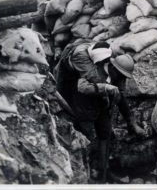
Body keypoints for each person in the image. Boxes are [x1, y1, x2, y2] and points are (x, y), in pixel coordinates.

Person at [54, 39, 145, 182]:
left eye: (124, 77)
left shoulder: (119, 75)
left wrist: (130, 121)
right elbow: (82, 88)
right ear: (113, 67)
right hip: (84, 105)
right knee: (87, 138)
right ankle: (87, 175)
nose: (122, 79)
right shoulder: (91, 69)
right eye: (121, 75)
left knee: (105, 134)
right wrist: (104, 88)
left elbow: (121, 97)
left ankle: (104, 172)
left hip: (103, 106)